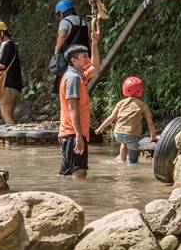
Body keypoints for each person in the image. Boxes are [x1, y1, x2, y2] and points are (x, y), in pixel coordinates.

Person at [57, 29, 100, 178]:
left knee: (67, 175)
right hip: (72, 134)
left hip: (69, 134)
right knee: (79, 174)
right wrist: (78, 135)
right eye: (84, 57)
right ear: (74, 61)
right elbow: (72, 107)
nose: (88, 60)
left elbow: (95, 68)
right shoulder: (73, 78)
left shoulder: (78, 76)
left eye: (88, 56)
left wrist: (94, 44)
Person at [95, 75, 157, 164]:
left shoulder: (120, 103)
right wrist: (153, 136)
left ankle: (122, 161)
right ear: (140, 90)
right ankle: (131, 166)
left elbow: (111, 117)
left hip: (118, 134)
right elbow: (150, 122)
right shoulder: (142, 105)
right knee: (133, 162)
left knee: (124, 142)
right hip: (131, 134)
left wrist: (100, 128)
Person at [0, 21, 22, 125]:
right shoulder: (10, 45)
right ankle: (14, 138)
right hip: (14, 84)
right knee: (9, 115)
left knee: (6, 115)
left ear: (1, 33)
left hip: (9, 84)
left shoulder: (7, 44)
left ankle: (13, 139)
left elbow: (1, 64)